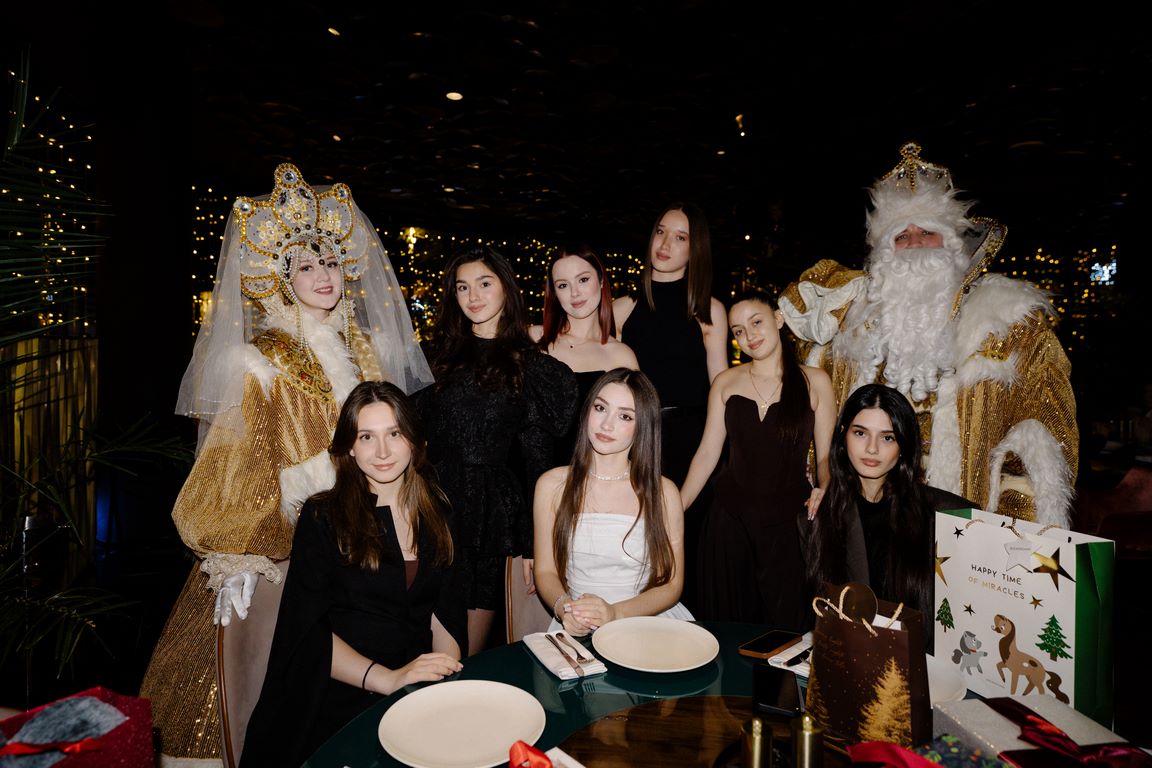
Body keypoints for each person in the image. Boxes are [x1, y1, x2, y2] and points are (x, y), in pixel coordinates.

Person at [139, 164, 433, 762]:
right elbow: (236, 466)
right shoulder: (261, 361)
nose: (323, 276)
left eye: (330, 262)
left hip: (369, 538)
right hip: (292, 547)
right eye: (304, 266)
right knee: (275, 696)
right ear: (281, 277)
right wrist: (253, 546)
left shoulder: (368, 350)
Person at [780, 142, 1077, 526]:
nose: (915, 244)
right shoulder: (852, 327)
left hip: (962, 523)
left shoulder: (1008, 327)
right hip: (863, 516)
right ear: (884, 254)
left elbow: (1042, 434)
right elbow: (794, 337)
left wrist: (1010, 532)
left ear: (952, 245)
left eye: (927, 232)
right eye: (901, 236)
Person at [239, 381, 465, 767]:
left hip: (413, 685)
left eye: (394, 433)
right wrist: (388, 679)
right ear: (349, 448)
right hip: (337, 693)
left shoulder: (438, 513)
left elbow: (445, 613)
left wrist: (441, 672)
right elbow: (306, 632)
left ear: (414, 441)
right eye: (366, 437)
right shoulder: (322, 517)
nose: (382, 451)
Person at [416, 246, 577, 654]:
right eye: (462, 287)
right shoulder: (433, 360)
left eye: (484, 284)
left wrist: (535, 544)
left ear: (506, 287)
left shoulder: (532, 368)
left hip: (490, 519)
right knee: (417, 641)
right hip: (431, 509)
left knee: (465, 654)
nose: (473, 296)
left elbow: (538, 462)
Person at [680, 292, 835, 630]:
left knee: (785, 634)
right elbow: (707, 454)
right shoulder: (725, 382)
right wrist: (676, 508)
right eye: (738, 331)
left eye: (756, 322)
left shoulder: (815, 381)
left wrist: (826, 487)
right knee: (726, 633)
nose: (749, 336)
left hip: (789, 526)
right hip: (728, 523)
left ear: (778, 319)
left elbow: (825, 455)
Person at [613, 202, 728, 609]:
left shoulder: (708, 311)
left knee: (684, 566)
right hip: (634, 444)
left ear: (695, 250)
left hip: (690, 450)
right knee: (631, 559)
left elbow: (721, 395)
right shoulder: (622, 308)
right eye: (661, 231)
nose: (665, 244)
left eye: (680, 237)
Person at [805, 383, 973, 650]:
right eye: (860, 433)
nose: (872, 448)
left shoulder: (947, 516)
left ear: (903, 445)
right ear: (843, 436)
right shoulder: (819, 516)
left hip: (923, 665)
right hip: (845, 661)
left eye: (887, 438)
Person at [533, 368, 691, 636]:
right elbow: (546, 571)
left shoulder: (663, 492)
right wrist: (564, 608)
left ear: (643, 426)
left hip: (646, 622)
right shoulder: (552, 485)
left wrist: (615, 613)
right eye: (600, 408)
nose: (606, 425)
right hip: (575, 619)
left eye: (625, 416)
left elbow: (672, 585)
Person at [529, 244, 639, 463]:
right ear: (554, 293)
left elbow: (635, 433)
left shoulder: (621, 356)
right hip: (528, 472)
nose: (574, 293)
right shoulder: (534, 339)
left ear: (601, 281)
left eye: (583, 280)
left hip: (586, 473)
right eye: (563, 285)